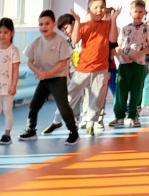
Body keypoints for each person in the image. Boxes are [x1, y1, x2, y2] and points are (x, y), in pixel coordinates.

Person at [18, 10, 80, 145]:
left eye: (47, 24)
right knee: (34, 104)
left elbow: (63, 62)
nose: (44, 27)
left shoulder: (61, 42)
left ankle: (73, 132)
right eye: (41, 24)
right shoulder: (36, 42)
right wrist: (39, 71)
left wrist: (48, 73)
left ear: (54, 24)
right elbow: (30, 62)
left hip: (57, 78)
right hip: (44, 79)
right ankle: (31, 130)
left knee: (63, 106)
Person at [66, 0, 121, 136]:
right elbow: (74, 40)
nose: (99, 10)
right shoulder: (84, 25)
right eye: (95, 7)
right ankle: (60, 119)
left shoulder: (108, 24)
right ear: (89, 9)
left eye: (102, 8)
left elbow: (113, 40)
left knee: (96, 98)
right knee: (72, 94)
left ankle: (91, 123)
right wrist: (77, 21)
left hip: (101, 68)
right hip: (83, 68)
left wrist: (114, 20)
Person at [109, 0, 149, 128]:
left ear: (144, 13)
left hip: (138, 65)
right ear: (130, 12)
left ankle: (134, 116)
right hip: (124, 65)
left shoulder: (147, 28)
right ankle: (119, 117)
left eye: (140, 12)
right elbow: (117, 46)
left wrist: (138, 55)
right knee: (121, 91)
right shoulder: (125, 28)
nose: (137, 14)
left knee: (136, 91)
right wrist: (123, 56)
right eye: (135, 11)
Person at [41, 13, 82, 135]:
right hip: (73, 72)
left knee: (85, 99)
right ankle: (58, 121)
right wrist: (67, 75)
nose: (65, 31)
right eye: (62, 30)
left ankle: (83, 121)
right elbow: (66, 60)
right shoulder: (66, 42)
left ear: (73, 24)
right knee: (68, 98)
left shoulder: (82, 37)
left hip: (86, 71)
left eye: (66, 28)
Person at [0, 17, 21, 145]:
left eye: (5, 32)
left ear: (12, 32)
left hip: (8, 86)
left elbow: (15, 70)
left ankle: (7, 134)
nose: (2, 35)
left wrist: (14, 85)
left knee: (7, 110)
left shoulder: (14, 51)